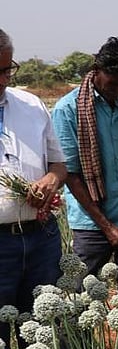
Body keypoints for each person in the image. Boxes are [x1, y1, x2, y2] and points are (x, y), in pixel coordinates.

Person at [53, 37, 118, 296]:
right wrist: (107, 226)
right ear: (96, 69)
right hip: (93, 224)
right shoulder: (67, 110)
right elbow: (71, 174)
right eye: (113, 83)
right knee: (78, 297)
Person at [0, 29, 68, 313]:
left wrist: (50, 180)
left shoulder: (31, 105)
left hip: (41, 239)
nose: (3, 80)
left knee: (46, 329)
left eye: (7, 70)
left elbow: (59, 165)